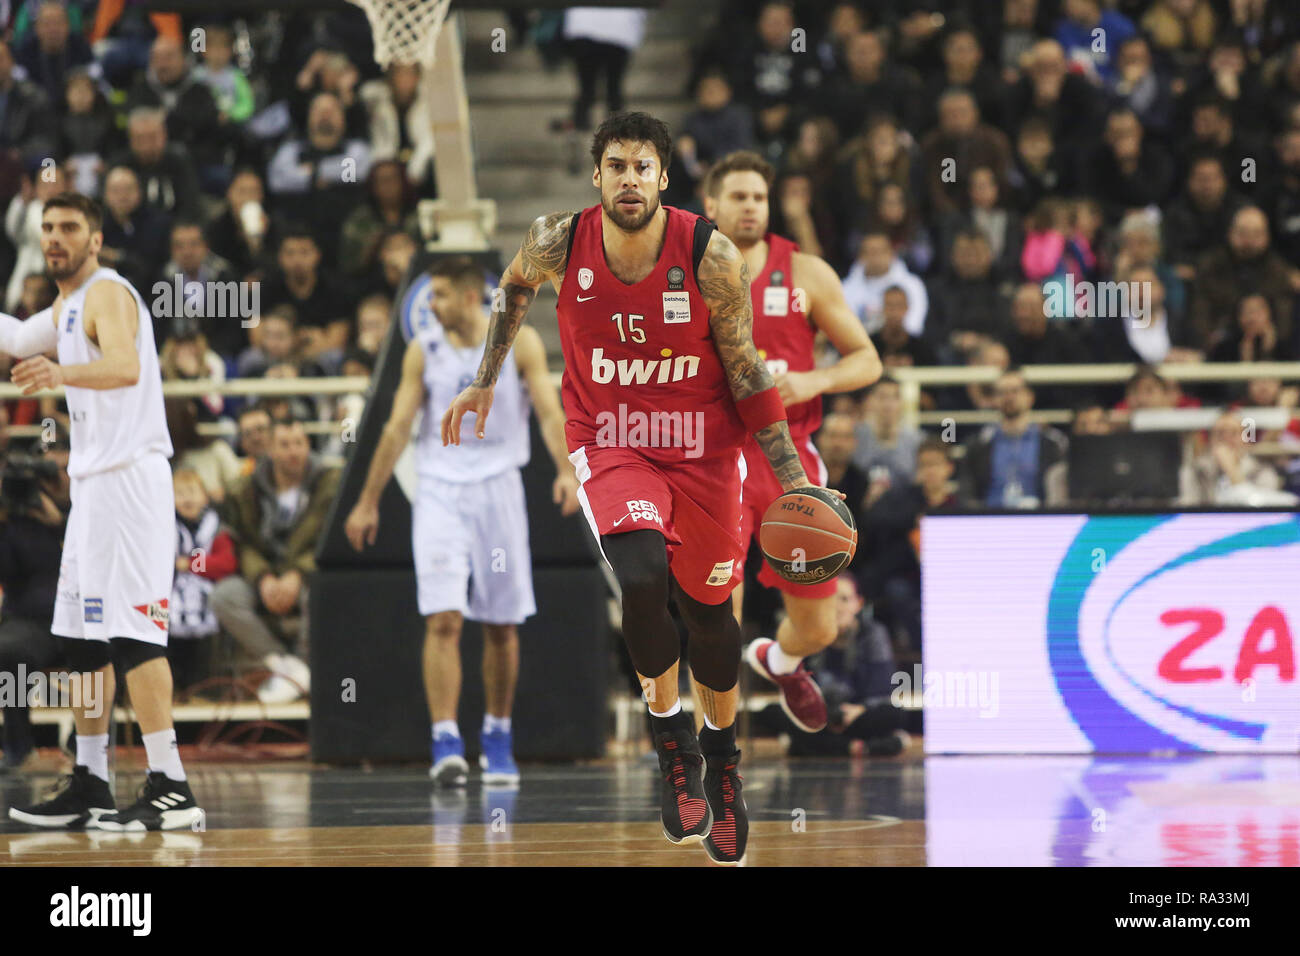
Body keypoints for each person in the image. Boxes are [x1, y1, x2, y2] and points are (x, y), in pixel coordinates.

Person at [442, 111, 839, 866]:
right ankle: (671, 741)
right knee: (642, 573)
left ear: (664, 177)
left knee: (711, 619)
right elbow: (513, 285)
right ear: (598, 178)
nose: (629, 178)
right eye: (616, 165)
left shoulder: (710, 254)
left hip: (706, 454)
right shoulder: (559, 239)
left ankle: (722, 765)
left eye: (642, 166)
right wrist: (483, 380)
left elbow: (749, 370)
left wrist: (789, 476)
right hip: (612, 442)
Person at [0, 191, 204, 830]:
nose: (56, 236)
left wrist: (59, 376)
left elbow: (122, 365)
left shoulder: (109, 293)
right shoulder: (64, 306)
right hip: (90, 490)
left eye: (69, 227)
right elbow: (10, 336)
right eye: (48, 228)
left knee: (133, 633)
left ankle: (171, 784)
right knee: (84, 639)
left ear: (95, 239)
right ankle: (91, 780)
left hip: (130, 482)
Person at [345, 255, 579, 786]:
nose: (431, 303)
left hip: (499, 489)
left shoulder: (520, 343)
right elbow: (397, 426)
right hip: (440, 492)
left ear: (471, 298)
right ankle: (446, 739)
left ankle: (497, 735)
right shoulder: (421, 351)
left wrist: (567, 471)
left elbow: (549, 412)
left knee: (501, 623)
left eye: (443, 294)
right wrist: (367, 500)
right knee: (443, 618)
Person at [701, 150, 881, 734]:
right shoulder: (685, 274)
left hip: (788, 459)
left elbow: (867, 360)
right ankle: (716, 745)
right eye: (738, 197)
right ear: (712, 206)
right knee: (716, 609)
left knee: (819, 627)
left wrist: (815, 378)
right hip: (713, 456)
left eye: (759, 197)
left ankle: (779, 662)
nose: (751, 206)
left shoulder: (806, 273)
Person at [211, 418, 339, 703]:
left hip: (311, 574)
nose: (294, 451)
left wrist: (298, 574)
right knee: (224, 596)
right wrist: (263, 577)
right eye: (285, 445)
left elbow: (327, 539)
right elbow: (242, 544)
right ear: (270, 449)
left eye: (299, 443)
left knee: (321, 592)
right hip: (265, 578)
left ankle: (304, 666)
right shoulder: (245, 490)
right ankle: (285, 666)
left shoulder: (329, 483)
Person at [0, 432, 69, 770]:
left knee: (109, 649)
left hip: (80, 615)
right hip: (29, 621)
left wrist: (61, 524)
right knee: (8, 650)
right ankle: (18, 750)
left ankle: (84, 749)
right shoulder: (15, 515)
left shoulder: (85, 506)